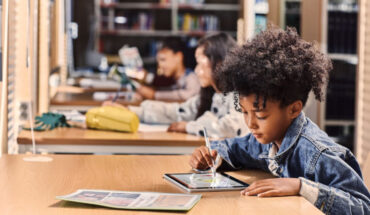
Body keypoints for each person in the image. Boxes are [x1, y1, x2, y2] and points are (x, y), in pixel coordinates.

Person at [189, 27, 370, 215]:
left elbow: (363, 207)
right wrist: (212, 156)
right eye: (244, 112)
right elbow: (234, 149)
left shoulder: (318, 154)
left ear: (294, 109)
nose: (250, 124)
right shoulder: (265, 140)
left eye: (261, 115)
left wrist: (300, 186)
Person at [105, 33, 249, 138]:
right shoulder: (210, 93)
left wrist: (189, 126)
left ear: (218, 63)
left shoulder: (237, 94)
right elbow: (177, 111)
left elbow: (232, 126)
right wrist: (130, 110)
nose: (196, 70)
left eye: (200, 62)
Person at [135, 37, 200, 101]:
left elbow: (189, 95)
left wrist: (154, 95)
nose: (160, 65)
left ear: (178, 57)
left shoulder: (192, 77)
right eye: (158, 61)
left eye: (163, 59)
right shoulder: (176, 80)